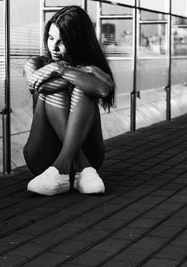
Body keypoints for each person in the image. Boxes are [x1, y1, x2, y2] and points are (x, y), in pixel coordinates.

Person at [23, 6, 115, 196]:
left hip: (92, 153)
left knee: (85, 92)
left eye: (62, 42)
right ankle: (75, 165)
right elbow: (39, 85)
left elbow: (102, 90)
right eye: (50, 38)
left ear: (77, 42)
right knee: (57, 92)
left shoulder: (87, 66)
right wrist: (82, 75)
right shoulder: (36, 63)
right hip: (44, 155)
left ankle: (62, 171)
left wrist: (62, 70)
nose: (53, 48)